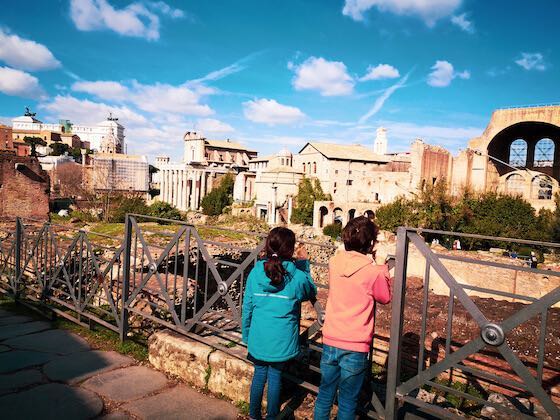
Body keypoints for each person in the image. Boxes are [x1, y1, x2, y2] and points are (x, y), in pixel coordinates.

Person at [314, 216, 392, 420]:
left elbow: (346, 261)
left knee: (324, 394)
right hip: (355, 344)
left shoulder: (334, 262)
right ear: (370, 244)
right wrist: (382, 265)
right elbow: (384, 297)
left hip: (331, 337)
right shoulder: (372, 272)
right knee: (348, 402)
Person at [242, 227, 317, 420]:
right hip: (282, 339)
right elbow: (310, 291)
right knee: (275, 377)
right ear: (290, 250)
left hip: (258, 336)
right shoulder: (296, 276)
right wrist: (304, 266)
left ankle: (253, 415)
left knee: (259, 375)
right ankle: (272, 416)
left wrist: (246, 333)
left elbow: (248, 306)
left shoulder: (255, 272)